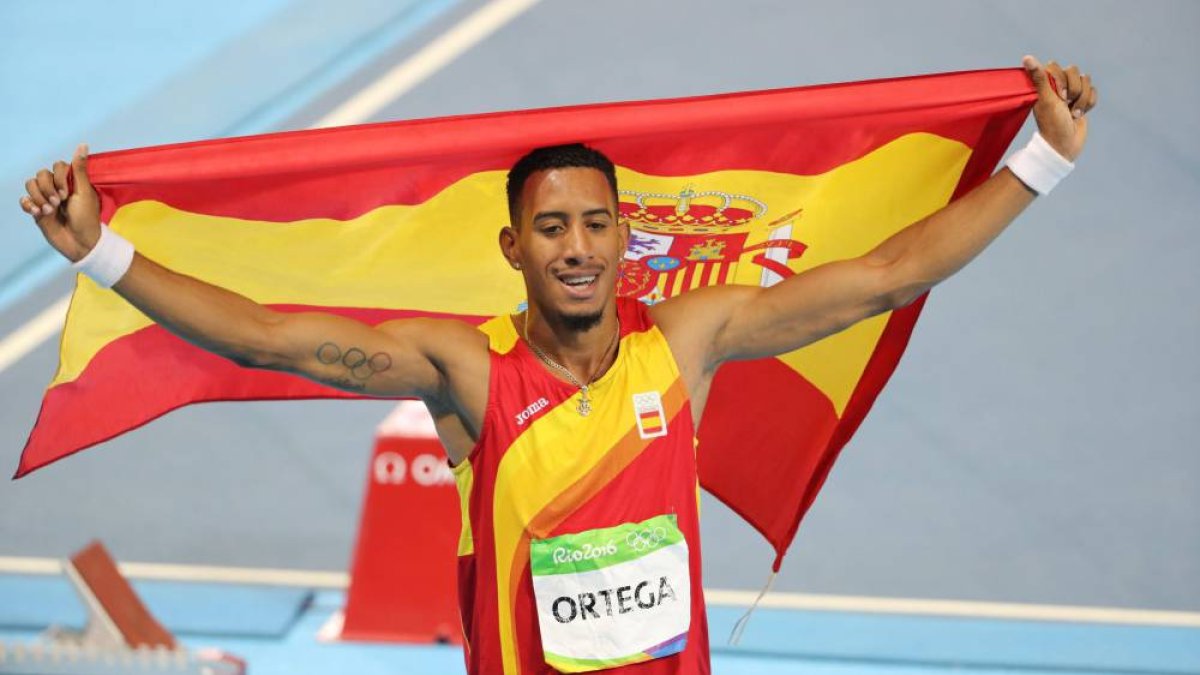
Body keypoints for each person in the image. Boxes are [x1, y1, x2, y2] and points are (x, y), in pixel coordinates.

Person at [18, 56, 1095, 674]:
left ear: (627, 238)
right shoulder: (465, 372)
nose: (575, 248)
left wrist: (1038, 159)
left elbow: (885, 277)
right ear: (513, 248)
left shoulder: (687, 341)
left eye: (594, 226)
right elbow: (266, 337)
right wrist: (100, 251)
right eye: (550, 229)